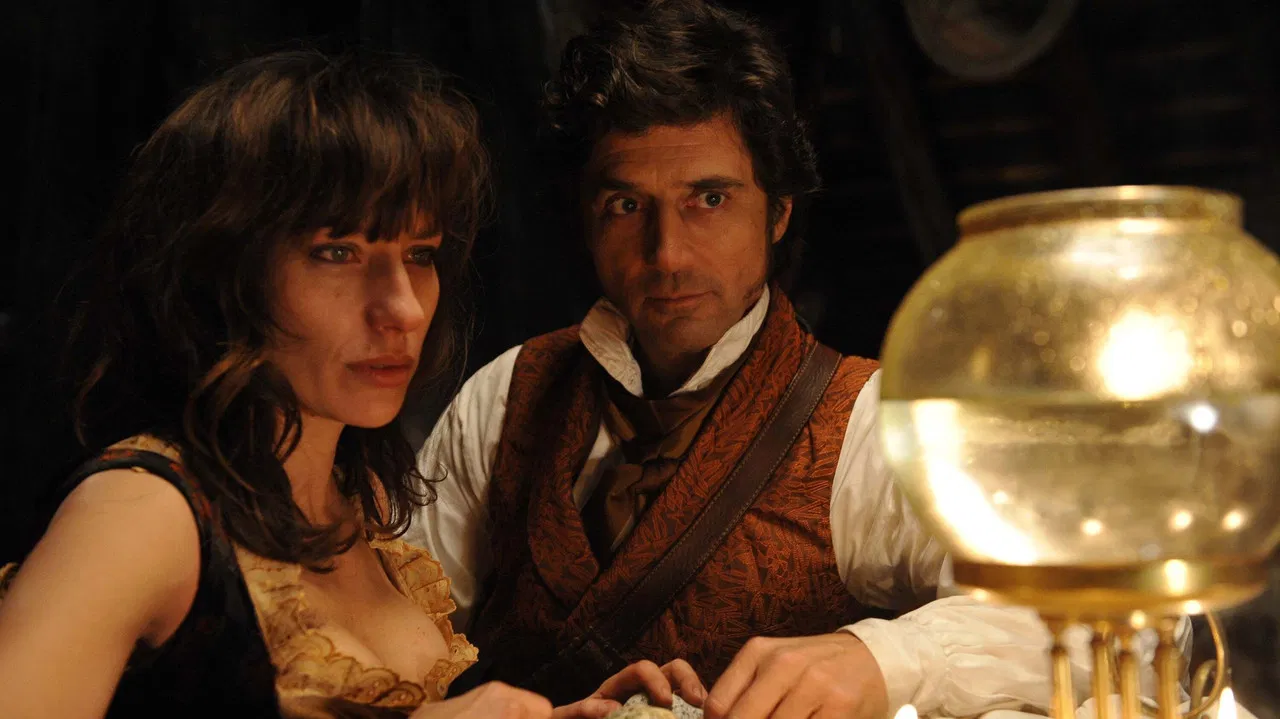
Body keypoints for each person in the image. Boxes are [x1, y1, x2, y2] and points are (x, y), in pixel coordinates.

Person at [408, 2, 1191, 718]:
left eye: (709, 199)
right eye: (627, 205)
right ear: (586, 219)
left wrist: (887, 657)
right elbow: (376, 642)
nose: (667, 252)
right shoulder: (505, 398)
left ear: (778, 211)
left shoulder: (867, 426)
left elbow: (1120, 616)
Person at [0, 49, 697, 719]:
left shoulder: (358, 501)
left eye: (419, 254)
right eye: (338, 252)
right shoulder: (141, 512)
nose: (404, 309)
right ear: (222, 272)